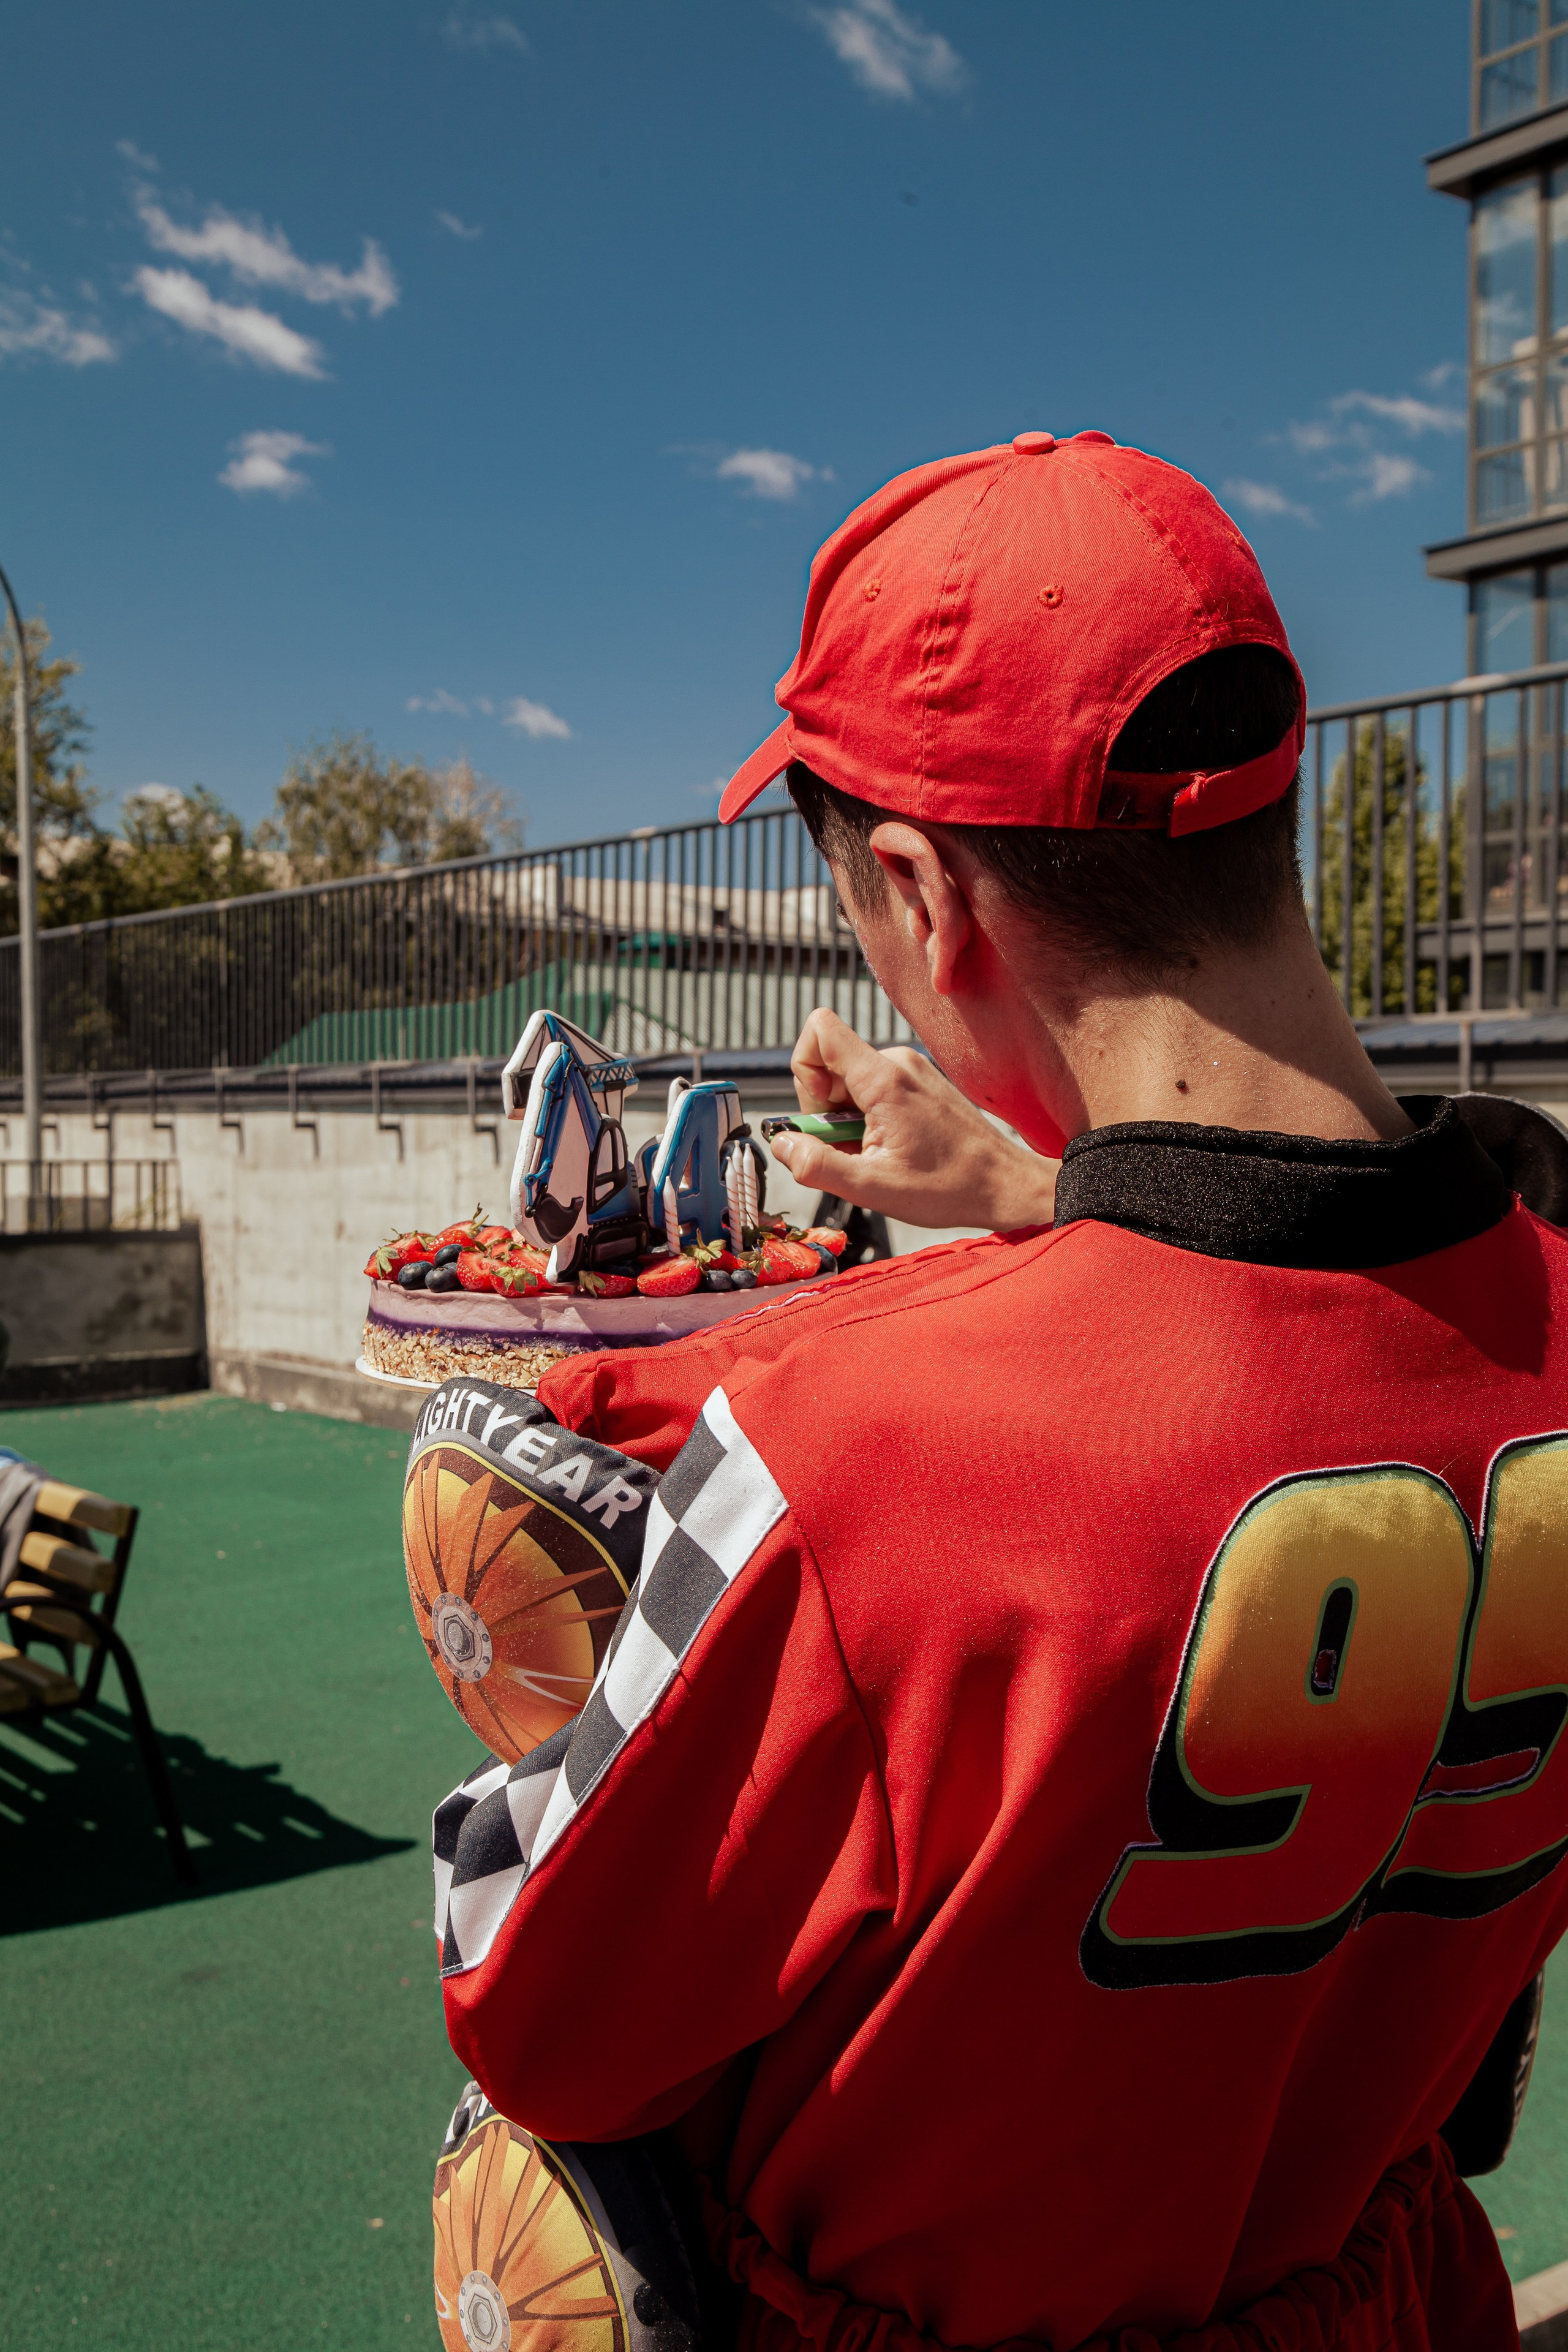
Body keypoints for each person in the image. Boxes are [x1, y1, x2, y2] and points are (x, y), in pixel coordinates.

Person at [432, 434, 1568, 2352]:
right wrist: (1055, 1201)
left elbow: (542, 2018)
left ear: (918, 889)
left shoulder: (840, 1456)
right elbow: (1314, 1335)